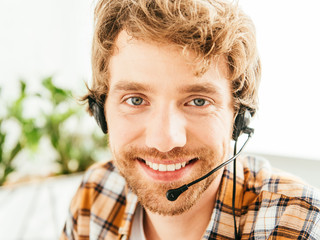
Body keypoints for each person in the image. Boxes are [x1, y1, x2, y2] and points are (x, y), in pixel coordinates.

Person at [61, 0, 320, 239]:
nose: (164, 141)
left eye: (198, 101)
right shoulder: (95, 195)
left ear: (238, 117)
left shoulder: (299, 224)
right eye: (136, 100)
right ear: (100, 111)